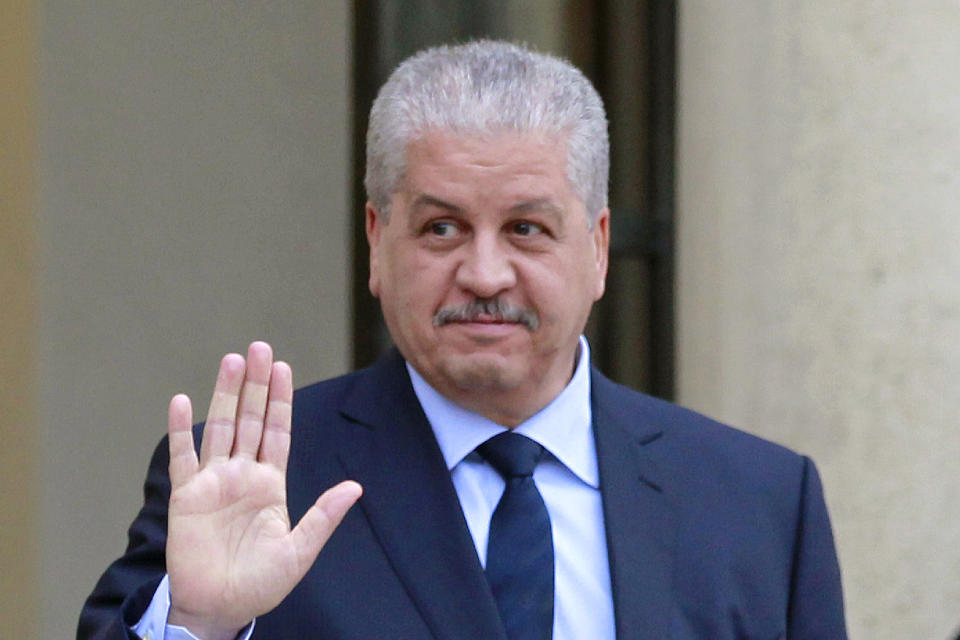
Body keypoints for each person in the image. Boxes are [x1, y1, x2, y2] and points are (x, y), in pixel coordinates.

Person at [78, 40, 847, 640]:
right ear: (378, 243)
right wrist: (200, 626)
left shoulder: (760, 504)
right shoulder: (259, 480)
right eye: (441, 228)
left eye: (526, 229)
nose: (484, 274)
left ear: (599, 247)